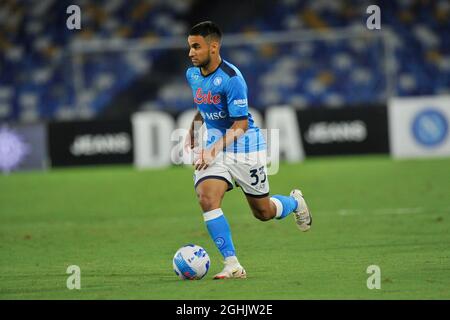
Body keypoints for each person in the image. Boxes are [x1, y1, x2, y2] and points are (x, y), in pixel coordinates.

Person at [184, 21, 312, 279]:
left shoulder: (232, 79)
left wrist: (214, 148)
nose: (191, 53)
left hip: (245, 149)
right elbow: (203, 103)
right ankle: (232, 265)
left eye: (196, 47)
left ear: (213, 47)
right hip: (216, 149)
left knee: (263, 212)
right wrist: (194, 128)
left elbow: (241, 123)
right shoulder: (193, 74)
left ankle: (295, 201)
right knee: (207, 198)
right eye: (190, 46)